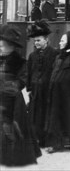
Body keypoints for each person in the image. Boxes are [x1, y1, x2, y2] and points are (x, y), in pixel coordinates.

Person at [0, 26, 42, 166]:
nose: (0, 47)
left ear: (11, 46)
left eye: (3, 45)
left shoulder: (19, 61)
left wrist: (8, 85)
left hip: (13, 101)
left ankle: (15, 156)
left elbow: (22, 80)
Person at [26, 20, 59, 147]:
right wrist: (29, 87)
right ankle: (37, 138)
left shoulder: (54, 53)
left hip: (48, 90)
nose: (36, 43)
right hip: (35, 90)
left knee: (47, 114)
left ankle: (47, 139)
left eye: (38, 40)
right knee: (36, 115)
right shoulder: (32, 56)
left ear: (46, 40)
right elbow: (29, 72)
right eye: (35, 41)